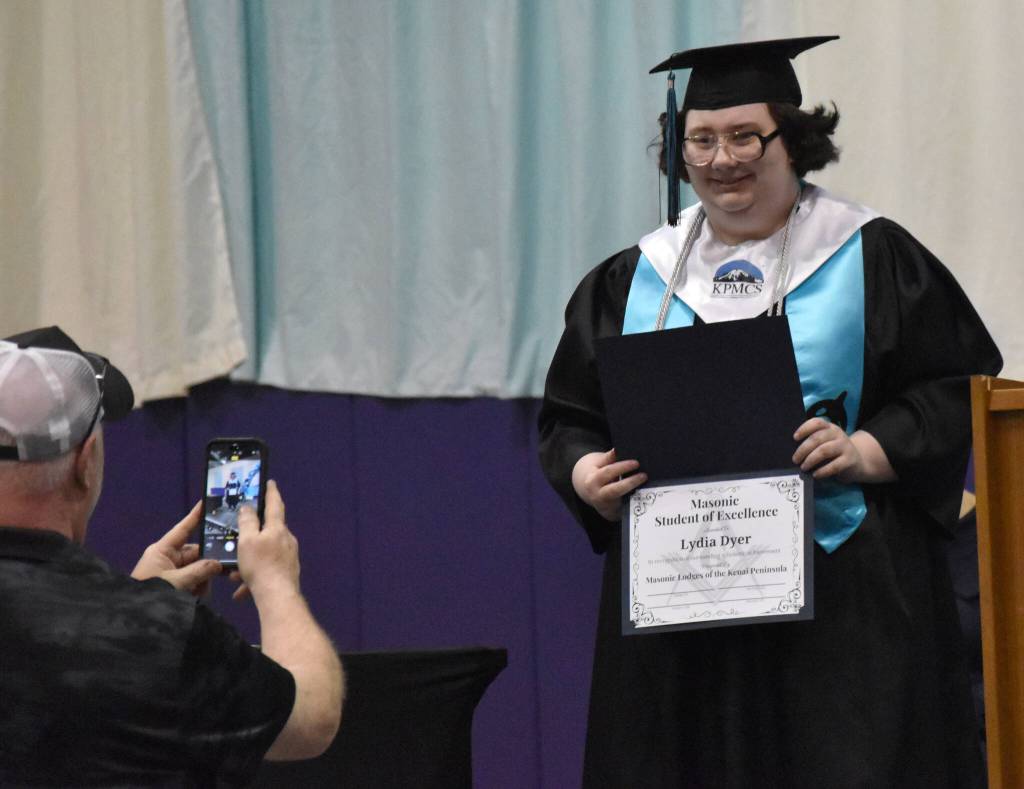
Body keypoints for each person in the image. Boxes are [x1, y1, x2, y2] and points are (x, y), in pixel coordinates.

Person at [538, 37, 1002, 787]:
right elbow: (570, 416)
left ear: (795, 139)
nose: (723, 159)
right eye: (702, 139)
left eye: (746, 135)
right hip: (681, 598)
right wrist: (587, 472)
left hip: (844, 592)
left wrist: (867, 449)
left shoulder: (868, 254)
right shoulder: (635, 276)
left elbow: (953, 386)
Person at [0, 326, 344, 787]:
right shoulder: (161, 636)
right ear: (85, 463)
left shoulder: (144, 624)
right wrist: (276, 583)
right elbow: (310, 719)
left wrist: (135, 600)